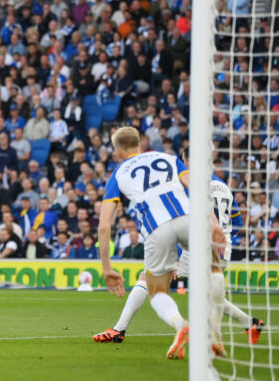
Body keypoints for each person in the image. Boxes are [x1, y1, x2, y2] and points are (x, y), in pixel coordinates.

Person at [93, 146, 264, 347]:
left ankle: (118, 329)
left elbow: (182, 221)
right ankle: (251, 323)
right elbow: (236, 219)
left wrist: (176, 255)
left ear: (188, 161)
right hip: (223, 247)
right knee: (209, 295)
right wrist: (226, 239)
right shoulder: (223, 186)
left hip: (197, 246)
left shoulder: (189, 185)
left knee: (147, 278)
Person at [95, 127, 228, 359]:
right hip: (189, 220)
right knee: (213, 272)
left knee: (156, 292)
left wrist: (107, 268)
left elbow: (104, 226)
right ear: (140, 142)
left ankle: (179, 325)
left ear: (117, 150)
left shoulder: (117, 174)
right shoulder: (170, 159)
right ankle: (214, 334)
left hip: (156, 230)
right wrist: (213, 222)